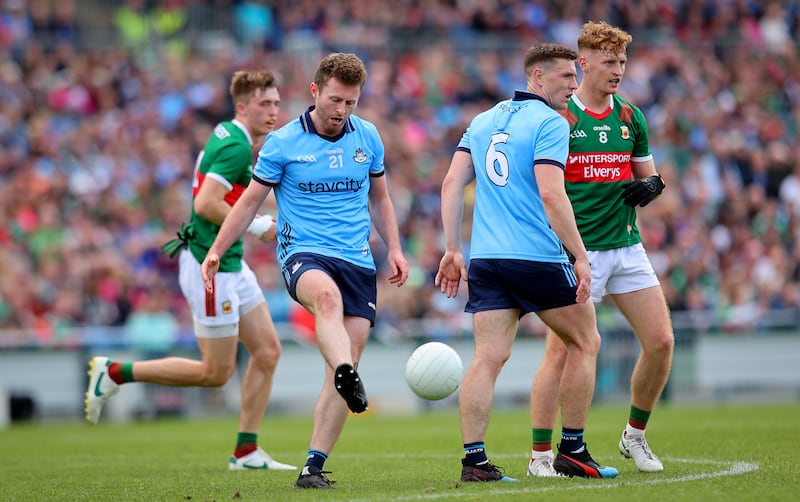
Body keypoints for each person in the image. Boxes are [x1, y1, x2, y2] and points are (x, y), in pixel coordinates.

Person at [200, 52, 409, 489]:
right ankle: (346, 373)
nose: (341, 111)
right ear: (315, 91)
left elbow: (382, 199)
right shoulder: (282, 143)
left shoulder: (368, 137)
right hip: (305, 254)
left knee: (345, 358)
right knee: (327, 304)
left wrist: (395, 249)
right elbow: (248, 203)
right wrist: (218, 248)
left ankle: (312, 467)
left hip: (357, 260)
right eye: (335, 100)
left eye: (350, 103)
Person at [85, 70, 296, 472]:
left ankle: (246, 451)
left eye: (275, 103)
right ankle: (114, 372)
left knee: (267, 351)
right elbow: (206, 205)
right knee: (215, 372)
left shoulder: (226, 134)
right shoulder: (236, 146)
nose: (273, 112)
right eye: (264, 104)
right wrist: (256, 226)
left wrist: (262, 219)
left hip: (229, 261)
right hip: (210, 266)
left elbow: (223, 197)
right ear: (242, 107)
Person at [435, 42, 618, 482]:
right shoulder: (550, 123)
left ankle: (474, 462)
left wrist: (453, 248)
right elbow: (552, 194)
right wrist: (579, 255)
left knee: (488, 357)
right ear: (537, 77)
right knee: (585, 341)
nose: (574, 85)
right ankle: (573, 449)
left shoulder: (482, 121)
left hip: (488, 259)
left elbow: (450, 184)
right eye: (565, 77)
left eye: (576, 77)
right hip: (535, 255)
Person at [529, 20, 674, 475]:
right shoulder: (560, 118)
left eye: (623, 62)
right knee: (562, 351)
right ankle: (540, 455)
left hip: (627, 246)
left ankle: (634, 435)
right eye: (609, 62)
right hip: (577, 252)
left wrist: (654, 185)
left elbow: (646, 175)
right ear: (584, 63)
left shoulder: (631, 116)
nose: (619, 70)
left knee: (662, 341)